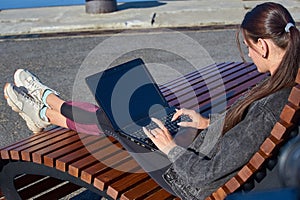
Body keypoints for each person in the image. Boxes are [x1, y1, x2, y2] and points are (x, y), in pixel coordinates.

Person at [3, 2, 300, 199]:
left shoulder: (271, 106)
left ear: (262, 45)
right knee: (121, 119)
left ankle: (46, 105)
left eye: (248, 47)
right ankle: (46, 108)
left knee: (116, 121)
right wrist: (206, 122)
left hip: (188, 180)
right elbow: (247, 135)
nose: (247, 55)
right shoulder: (287, 84)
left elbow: (206, 175)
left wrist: (169, 147)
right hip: (204, 154)